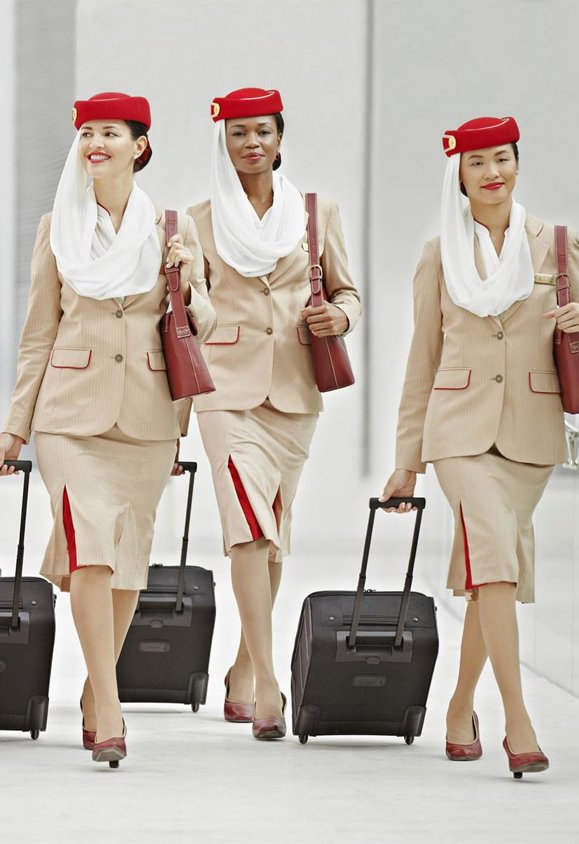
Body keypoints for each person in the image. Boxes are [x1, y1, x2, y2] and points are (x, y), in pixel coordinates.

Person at [0, 92, 216, 767]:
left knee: (125, 564)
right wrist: (15, 426)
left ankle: (97, 689)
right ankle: (111, 705)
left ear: (139, 146)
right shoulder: (56, 228)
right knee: (90, 551)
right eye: (87, 132)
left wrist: (186, 278)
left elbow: (202, 323)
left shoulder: (173, 227)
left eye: (110, 133)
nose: (96, 143)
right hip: (70, 417)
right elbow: (38, 335)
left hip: (146, 417)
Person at [380, 116, 579, 778]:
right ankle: (518, 721)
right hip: (458, 430)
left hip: (531, 431)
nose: (491, 172)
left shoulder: (556, 244)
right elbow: (422, 360)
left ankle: (458, 706)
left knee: (489, 573)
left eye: (501, 158)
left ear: (517, 163)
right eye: (476, 163)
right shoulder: (438, 254)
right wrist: (407, 461)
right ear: (458, 174)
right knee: (497, 563)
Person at [187, 88, 361, 740]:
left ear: (280, 138)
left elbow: (348, 292)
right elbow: (184, 315)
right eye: (238, 133)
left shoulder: (316, 213)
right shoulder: (197, 222)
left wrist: (340, 316)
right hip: (225, 390)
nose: (251, 143)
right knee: (248, 532)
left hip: (293, 392)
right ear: (223, 142)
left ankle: (240, 665)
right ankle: (267, 682)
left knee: (274, 536)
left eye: (262, 131)